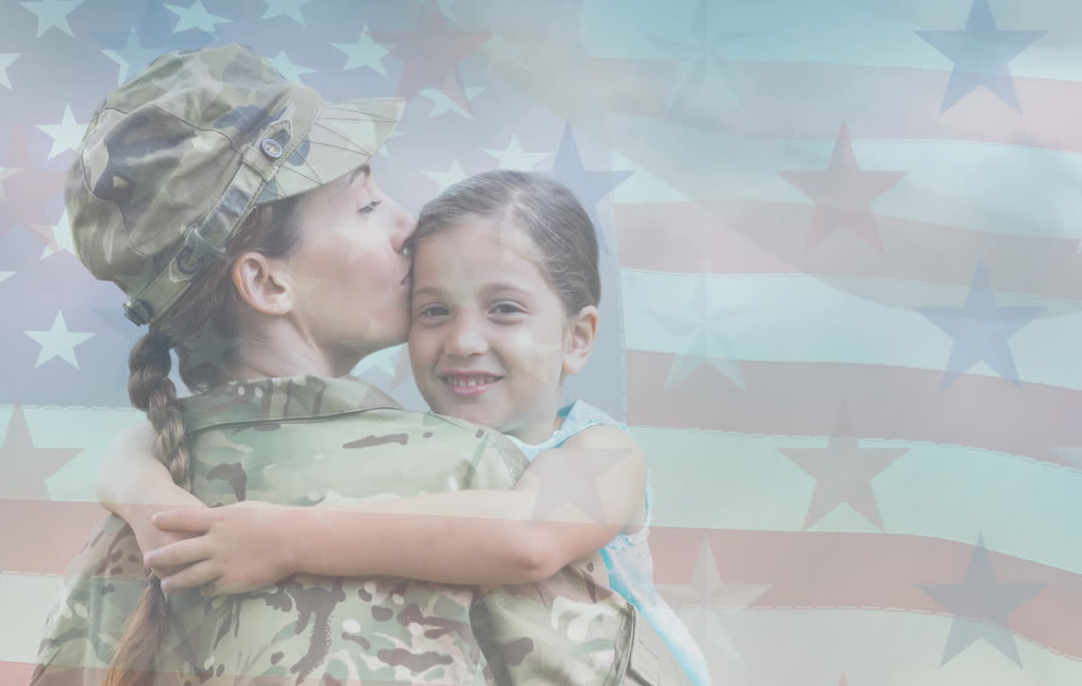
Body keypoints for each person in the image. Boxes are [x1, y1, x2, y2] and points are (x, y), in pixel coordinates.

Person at [29, 44, 677, 686]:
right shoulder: (473, 472)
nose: (409, 227)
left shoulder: (136, 520)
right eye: (367, 206)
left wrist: (155, 495)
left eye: (504, 309)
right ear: (268, 283)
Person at [102, 171, 712, 686]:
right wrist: (145, 485)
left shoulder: (600, 450)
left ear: (576, 338)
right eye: (434, 311)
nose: (464, 341)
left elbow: (525, 541)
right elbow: (134, 447)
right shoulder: (417, 444)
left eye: (505, 309)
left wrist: (282, 538)